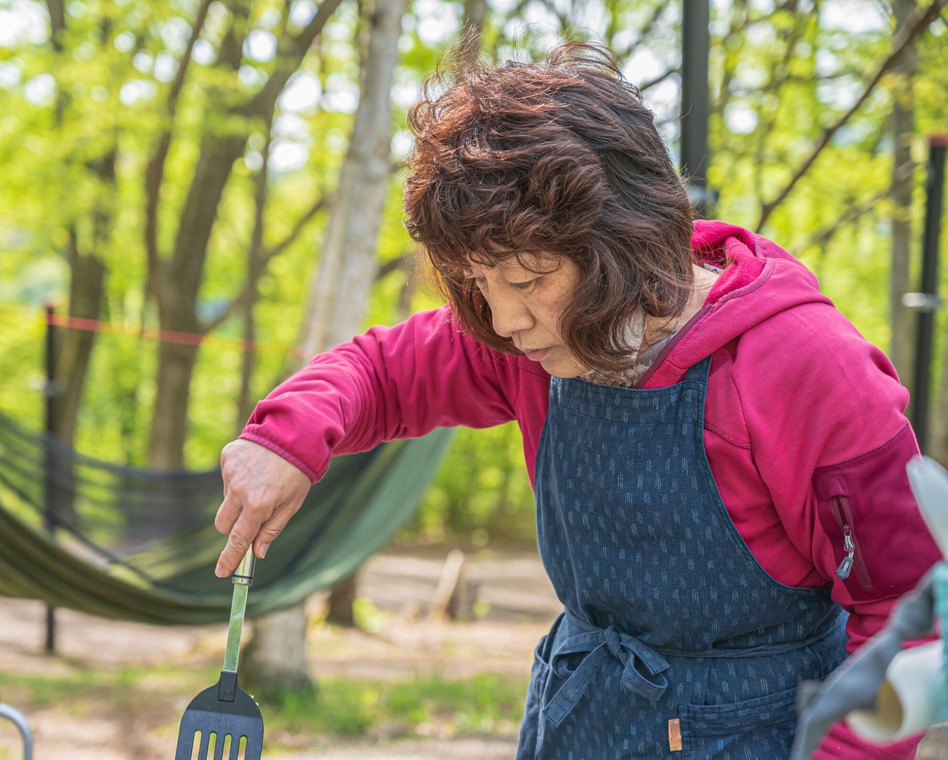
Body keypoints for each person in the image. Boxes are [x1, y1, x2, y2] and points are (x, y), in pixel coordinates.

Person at [212, 41, 942, 759]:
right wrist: (285, 439)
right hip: (579, 722)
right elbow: (383, 371)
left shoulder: (807, 366)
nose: (504, 322)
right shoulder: (529, 345)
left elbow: (910, 614)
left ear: (623, 240)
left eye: (529, 282)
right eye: (480, 285)